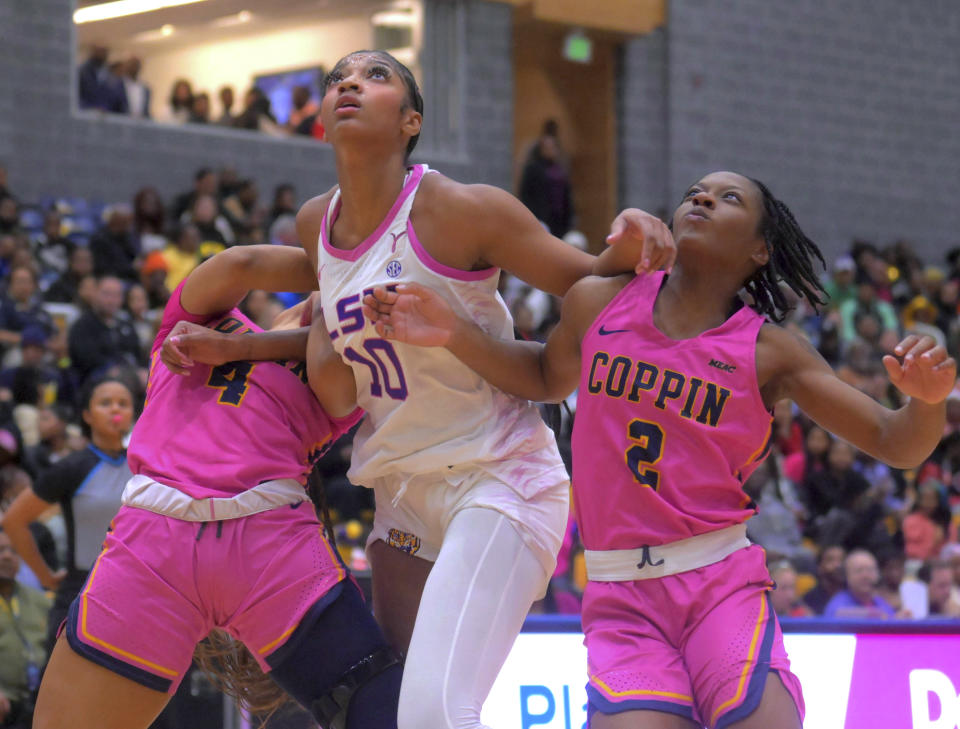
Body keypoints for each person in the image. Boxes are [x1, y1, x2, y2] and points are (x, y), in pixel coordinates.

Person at [365, 170, 956, 728]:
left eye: (729, 199)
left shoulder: (770, 351)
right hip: (620, 595)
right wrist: (453, 332)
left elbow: (893, 441)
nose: (701, 199)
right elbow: (545, 375)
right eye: (696, 191)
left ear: (759, 250)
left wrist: (926, 403)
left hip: (717, 581)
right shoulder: (600, 300)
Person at [31, 244, 402, 729]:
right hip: (245, 547)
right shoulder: (205, 317)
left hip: (185, 545)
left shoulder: (350, 358)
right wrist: (361, 256)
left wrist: (355, 274)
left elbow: (329, 353)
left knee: (381, 709)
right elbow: (240, 264)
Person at [1, 377, 134, 651]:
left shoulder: (146, 467)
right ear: (86, 414)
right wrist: (45, 576)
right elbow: (14, 521)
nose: (115, 409)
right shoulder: (72, 468)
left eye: (123, 403)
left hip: (136, 596)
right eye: (105, 403)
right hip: (83, 594)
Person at [0, 528, 51, 729]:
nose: (7, 556)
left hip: (42, 702)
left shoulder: (41, 601)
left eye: (13, 551)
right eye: (1, 550)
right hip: (6, 704)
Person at [823, 549, 897, 619]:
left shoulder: (881, 602)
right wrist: (875, 614)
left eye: (870, 570)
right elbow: (838, 614)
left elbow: (891, 620)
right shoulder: (838, 602)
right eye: (859, 570)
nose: (865, 576)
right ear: (846, 575)